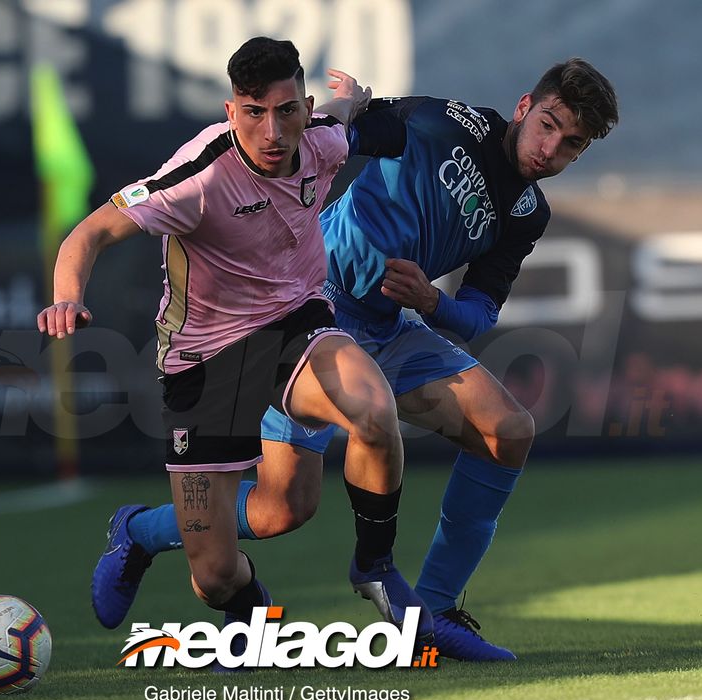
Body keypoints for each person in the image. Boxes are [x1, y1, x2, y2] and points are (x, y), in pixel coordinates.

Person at [95, 58, 618, 660]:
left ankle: (435, 610)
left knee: (508, 431)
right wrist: (349, 110)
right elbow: (328, 140)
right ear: (525, 106)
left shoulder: (528, 213)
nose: (549, 149)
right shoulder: (441, 122)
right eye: (547, 125)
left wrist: (432, 303)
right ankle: (137, 530)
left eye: (571, 144)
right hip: (313, 316)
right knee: (279, 510)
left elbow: (478, 312)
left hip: (393, 328)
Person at [39, 37, 434, 647]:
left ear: (305, 107)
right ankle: (146, 535)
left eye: (285, 111)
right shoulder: (195, 178)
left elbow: (347, 118)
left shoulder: (321, 141)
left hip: (295, 324)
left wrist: (354, 100)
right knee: (217, 575)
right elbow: (87, 234)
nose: (271, 131)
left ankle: (374, 568)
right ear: (231, 112)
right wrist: (67, 296)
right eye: (254, 112)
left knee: (373, 411)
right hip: (204, 357)